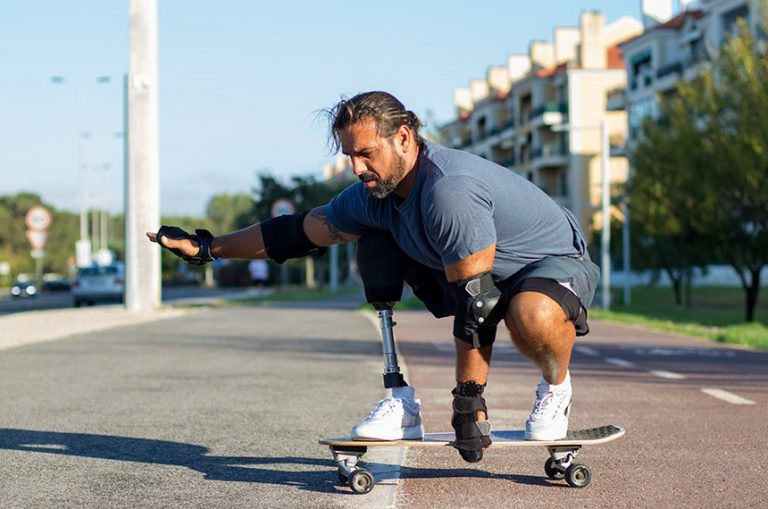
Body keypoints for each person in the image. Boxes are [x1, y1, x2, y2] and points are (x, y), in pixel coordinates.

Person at [147, 91, 599, 463]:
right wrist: (208, 247)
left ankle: (555, 389)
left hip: (546, 265)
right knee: (374, 239)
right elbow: (295, 233)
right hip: (477, 276)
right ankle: (401, 402)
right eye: (349, 156)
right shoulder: (374, 193)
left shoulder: (448, 191)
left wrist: (468, 401)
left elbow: (475, 305)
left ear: (403, 138)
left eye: (366, 154)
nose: (357, 168)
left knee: (529, 314)